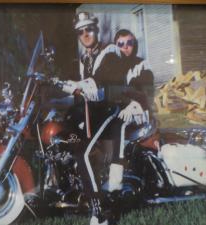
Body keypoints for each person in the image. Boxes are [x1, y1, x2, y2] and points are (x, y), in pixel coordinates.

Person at [61, 13, 153, 225]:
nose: (85, 34)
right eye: (80, 31)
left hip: (113, 109)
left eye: (89, 29)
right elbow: (85, 91)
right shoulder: (86, 57)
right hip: (97, 111)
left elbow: (97, 83)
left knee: (82, 153)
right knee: (71, 138)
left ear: (96, 30)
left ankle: (100, 212)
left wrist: (66, 84)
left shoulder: (110, 52)